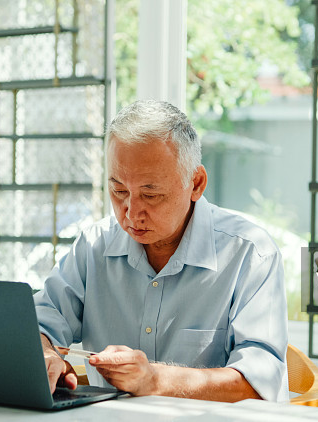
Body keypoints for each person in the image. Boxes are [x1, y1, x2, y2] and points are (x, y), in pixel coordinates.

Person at [34, 100, 288, 402]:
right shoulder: (94, 246)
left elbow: (257, 385)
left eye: (150, 194)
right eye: (118, 191)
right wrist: (45, 352)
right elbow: (40, 321)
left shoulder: (250, 254)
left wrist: (155, 379)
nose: (131, 213)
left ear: (196, 183)